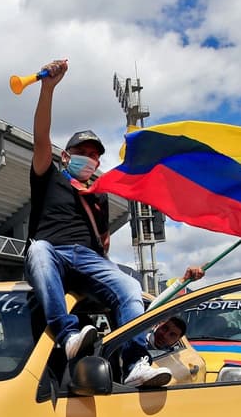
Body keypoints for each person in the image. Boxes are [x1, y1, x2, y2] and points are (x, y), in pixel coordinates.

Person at [25, 58, 203, 388]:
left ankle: (135, 362)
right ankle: (67, 336)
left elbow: (103, 241)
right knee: (38, 252)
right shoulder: (48, 176)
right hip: (52, 253)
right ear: (66, 156)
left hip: (88, 259)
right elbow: (40, 137)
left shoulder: (99, 195)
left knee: (130, 288)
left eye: (95, 154)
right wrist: (47, 89)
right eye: (82, 151)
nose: (89, 158)